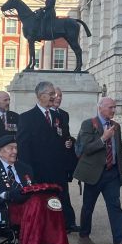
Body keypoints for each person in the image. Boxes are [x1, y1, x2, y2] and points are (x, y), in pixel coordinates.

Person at [0, 135, 74, 244]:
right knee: (37, 203)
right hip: (6, 206)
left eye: (16, 148)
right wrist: (5, 194)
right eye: (11, 148)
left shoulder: (24, 167)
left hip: (29, 204)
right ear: (0, 151)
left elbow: (33, 186)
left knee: (51, 200)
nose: (15, 152)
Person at [73, 97, 122, 244]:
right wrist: (103, 138)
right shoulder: (89, 124)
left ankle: (119, 241)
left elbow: (118, 151)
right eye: (110, 107)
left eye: (114, 107)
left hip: (111, 173)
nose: (113, 110)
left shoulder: (116, 126)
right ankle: (84, 234)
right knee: (88, 206)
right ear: (100, 108)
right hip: (94, 173)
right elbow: (86, 148)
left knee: (115, 206)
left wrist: (121, 172)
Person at [50, 86, 79, 231]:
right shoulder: (45, 114)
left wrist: (69, 141)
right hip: (49, 160)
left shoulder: (64, 114)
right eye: (56, 95)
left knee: (64, 193)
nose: (59, 98)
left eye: (60, 96)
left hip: (62, 160)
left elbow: (65, 134)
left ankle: (69, 222)